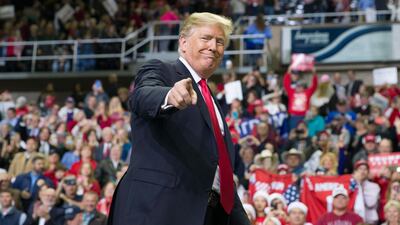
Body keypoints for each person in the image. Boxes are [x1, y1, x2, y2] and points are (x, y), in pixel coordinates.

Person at [109, 12, 250, 225]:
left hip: (206, 214)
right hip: (158, 209)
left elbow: (220, 174)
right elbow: (142, 96)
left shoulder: (211, 100)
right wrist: (168, 96)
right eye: (206, 38)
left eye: (220, 41)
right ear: (183, 42)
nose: (213, 46)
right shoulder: (161, 70)